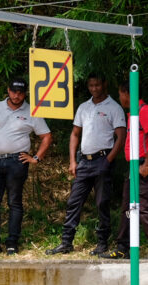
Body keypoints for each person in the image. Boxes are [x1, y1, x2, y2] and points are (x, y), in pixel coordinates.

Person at [47, 74, 127, 255]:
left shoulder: (114, 107)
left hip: (103, 159)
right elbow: (75, 134)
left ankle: (102, 243)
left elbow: (121, 137)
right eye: (91, 85)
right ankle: (66, 242)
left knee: (102, 203)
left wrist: (108, 160)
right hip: (84, 161)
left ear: (104, 84)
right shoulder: (84, 107)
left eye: (97, 84)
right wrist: (73, 161)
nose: (94, 88)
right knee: (74, 201)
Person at [0, 77, 52, 255]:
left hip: (17, 162)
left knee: (14, 202)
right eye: (13, 91)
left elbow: (47, 137)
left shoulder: (32, 111)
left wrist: (36, 158)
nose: (16, 95)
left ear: (24, 93)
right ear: (8, 90)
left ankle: (12, 242)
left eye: (20, 92)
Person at [101, 82, 148, 259]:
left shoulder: (143, 111)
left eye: (120, 93)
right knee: (127, 207)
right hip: (133, 167)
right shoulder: (132, 114)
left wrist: (146, 165)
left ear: (127, 93)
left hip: (143, 166)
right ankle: (122, 247)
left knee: (142, 209)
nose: (120, 98)